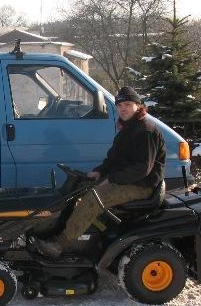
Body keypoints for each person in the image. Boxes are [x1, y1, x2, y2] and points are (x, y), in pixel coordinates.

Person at [33, 86, 166, 259]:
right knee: (79, 188)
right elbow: (113, 159)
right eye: (119, 105)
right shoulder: (128, 128)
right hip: (126, 179)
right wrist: (99, 171)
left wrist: (111, 178)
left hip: (142, 185)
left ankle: (60, 244)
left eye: (127, 104)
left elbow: (142, 169)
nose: (122, 108)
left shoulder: (145, 131)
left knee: (94, 199)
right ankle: (59, 229)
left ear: (138, 106)